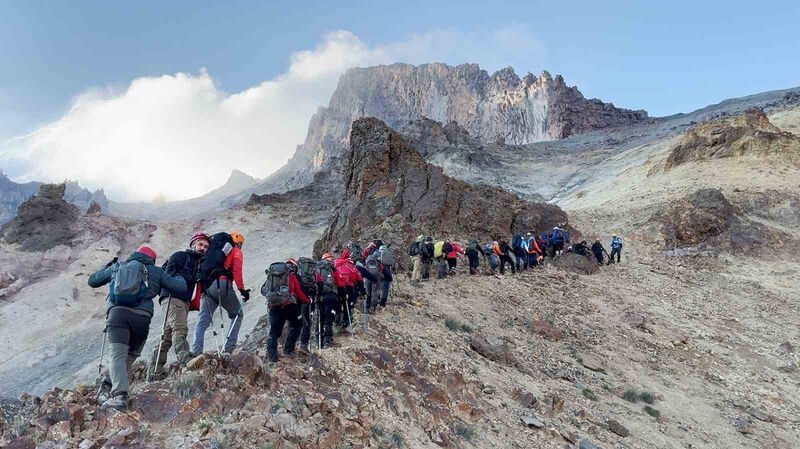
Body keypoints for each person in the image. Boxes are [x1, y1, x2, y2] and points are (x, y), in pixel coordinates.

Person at [88, 246, 187, 411]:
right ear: (152, 259)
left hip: (118, 315)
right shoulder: (156, 271)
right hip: (142, 318)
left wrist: (107, 268)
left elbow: (92, 281)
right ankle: (109, 382)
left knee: (117, 355)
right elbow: (180, 288)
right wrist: (180, 276)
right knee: (131, 354)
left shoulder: (118, 266)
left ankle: (119, 395)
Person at [151, 232, 209, 378]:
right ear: (193, 244)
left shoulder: (199, 263)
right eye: (200, 244)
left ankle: (155, 370)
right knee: (180, 328)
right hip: (173, 296)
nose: (203, 248)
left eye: (206, 246)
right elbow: (169, 272)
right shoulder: (180, 256)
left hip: (181, 299)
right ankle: (186, 359)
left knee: (167, 336)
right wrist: (192, 278)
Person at [192, 232, 248, 356]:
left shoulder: (213, 250)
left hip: (206, 288)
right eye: (240, 243)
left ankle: (195, 352)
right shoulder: (235, 251)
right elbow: (237, 271)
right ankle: (228, 349)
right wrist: (242, 290)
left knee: (203, 321)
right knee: (237, 315)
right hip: (221, 284)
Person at [265, 259, 310, 363]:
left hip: (274, 306)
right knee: (297, 325)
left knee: (274, 332)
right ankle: (288, 350)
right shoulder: (292, 277)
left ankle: (272, 356)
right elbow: (299, 293)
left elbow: (264, 290)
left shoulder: (272, 277)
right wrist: (308, 301)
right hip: (289, 307)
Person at [294, 257, 318, 355]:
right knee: (307, 321)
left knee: (296, 321)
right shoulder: (312, 273)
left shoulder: (295, 274)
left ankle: (291, 346)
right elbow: (318, 282)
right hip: (307, 297)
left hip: (296, 299)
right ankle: (303, 344)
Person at [316, 254, 341, 348]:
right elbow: (339, 283)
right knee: (329, 317)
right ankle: (327, 340)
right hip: (331, 297)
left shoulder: (316, 268)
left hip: (319, 297)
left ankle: (318, 341)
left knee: (320, 318)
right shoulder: (332, 269)